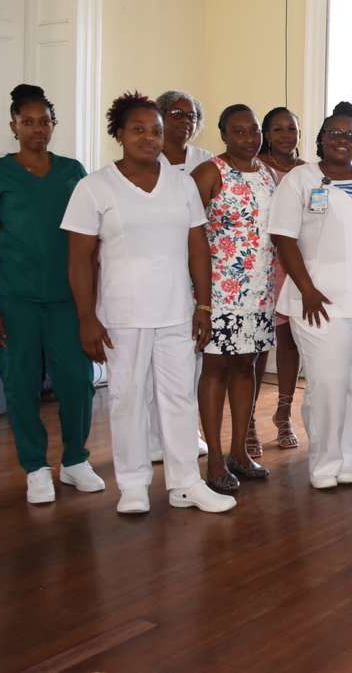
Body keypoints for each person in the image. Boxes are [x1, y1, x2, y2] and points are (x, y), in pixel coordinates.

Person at [63, 91, 235, 514]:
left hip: (176, 311)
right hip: (123, 315)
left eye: (155, 131)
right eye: (137, 129)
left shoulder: (182, 183)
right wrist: (86, 317)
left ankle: (185, 483)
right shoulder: (94, 187)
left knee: (179, 398)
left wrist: (204, 306)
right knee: (128, 398)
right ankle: (134, 485)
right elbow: (80, 258)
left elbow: (198, 248)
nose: (148, 137)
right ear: (119, 134)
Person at [0, 84, 101, 505]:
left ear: (53, 125)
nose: (37, 129)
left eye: (44, 121)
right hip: (14, 298)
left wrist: (92, 304)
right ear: (14, 126)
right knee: (20, 384)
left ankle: (75, 460)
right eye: (28, 122)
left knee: (77, 381)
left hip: (66, 298)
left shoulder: (72, 171)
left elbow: (88, 240)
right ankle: (36, 468)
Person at [268, 106, 352, 489]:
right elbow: (283, 237)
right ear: (321, 139)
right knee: (327, 385)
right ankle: (324, 464)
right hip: (317, 299)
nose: (342, 140)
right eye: (334, 134)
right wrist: (306, 288)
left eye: (350, 134)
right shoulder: (299, 180)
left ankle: (351, 457)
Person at [191, 105, 277, 495]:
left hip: (259, 293)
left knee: (247, 367)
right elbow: (188, 234)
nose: (249, 138)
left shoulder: (267, 174)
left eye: (254, 130)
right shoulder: (209, 173)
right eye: (239, 131)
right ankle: (214, 460)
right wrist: (200, 300)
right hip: (219, 294)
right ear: (224, 135)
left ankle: (239, 453)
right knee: (216, 370)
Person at [147, 89, 212, 461]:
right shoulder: (143, 159)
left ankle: (187, 432)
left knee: (190, 358)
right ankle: (152, 436)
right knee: (149, 364)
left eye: (192, 116)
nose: (186, 121)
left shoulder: (206, 161)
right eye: (177, 114)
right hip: (156, 270)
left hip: (198, 268)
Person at [256, 106, 305, 450]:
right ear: (266, 134)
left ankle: (284, 414)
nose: (286, 135)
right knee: (257, 346)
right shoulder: (255, 168)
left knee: (290, 342)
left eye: (292, 128)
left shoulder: (309, 172)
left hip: (295, 262)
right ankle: (246, 421)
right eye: (278, 129)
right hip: (259, 264)